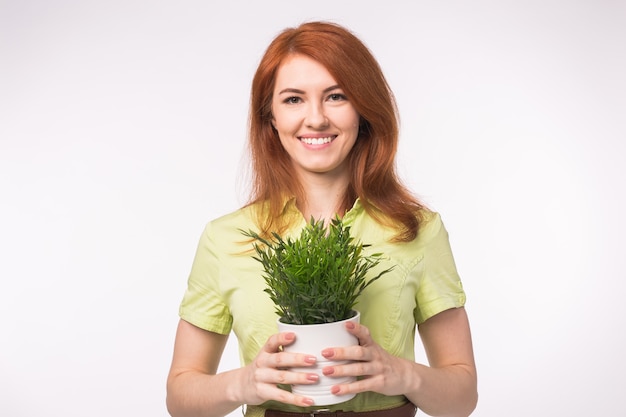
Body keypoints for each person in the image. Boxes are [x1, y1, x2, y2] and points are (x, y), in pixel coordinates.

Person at [166, 21, 477, 417]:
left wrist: (401, 374)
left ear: (363, 109)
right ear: (271, 117)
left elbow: (463, 397)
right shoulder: (226, 238)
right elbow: (180, 398)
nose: (315, 119)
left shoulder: (417, 230)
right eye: (293, 100)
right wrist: (242, 383)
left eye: (336, 96)